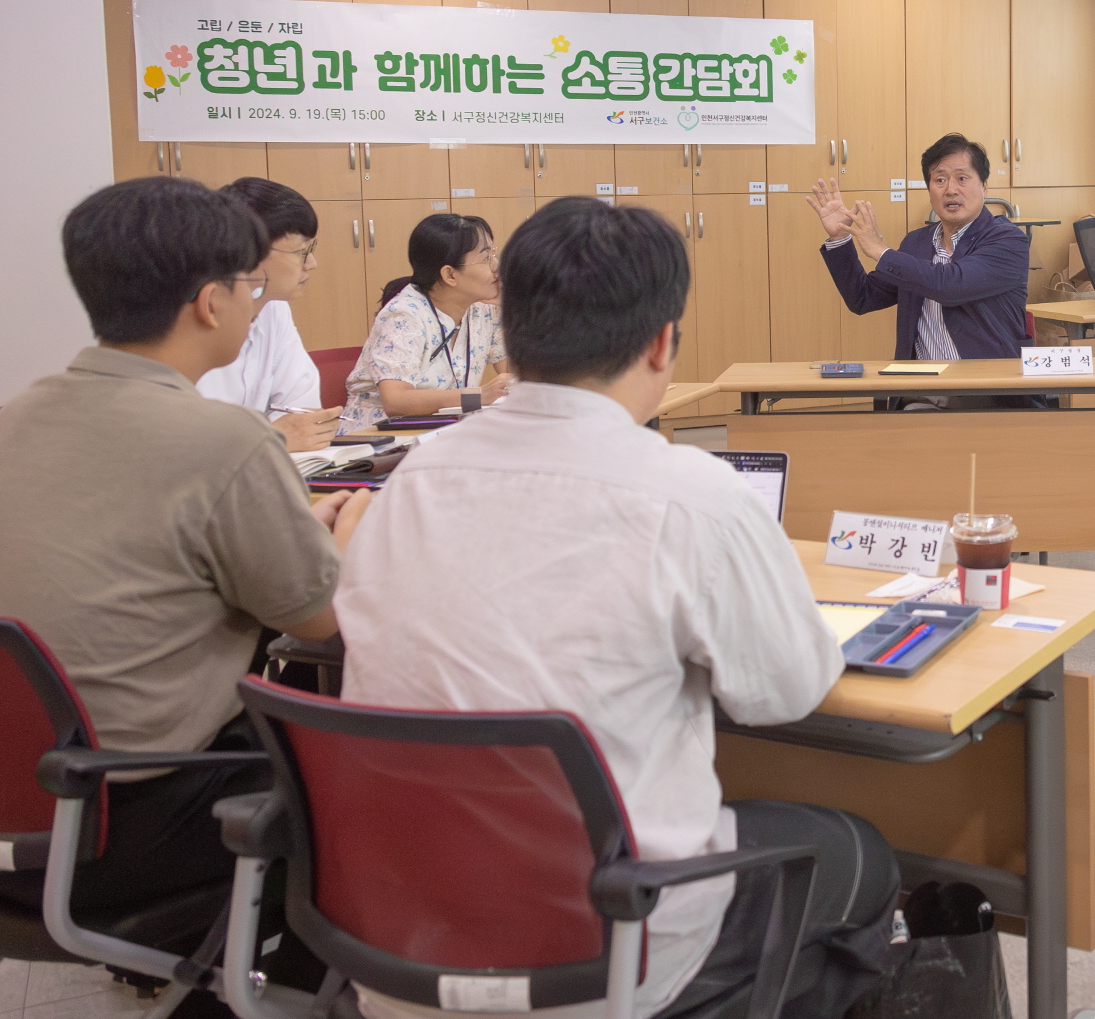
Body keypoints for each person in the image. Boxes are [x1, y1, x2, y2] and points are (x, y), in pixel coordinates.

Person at [334, 197, 897, 1019]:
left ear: (510, 329)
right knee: (862, 853)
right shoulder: (693, 493)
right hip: (600, 958)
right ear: (663, 342)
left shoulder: (408, 481)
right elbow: (787, 690)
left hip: (397, 952)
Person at [0, 177, 364, 920]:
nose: (257, 302)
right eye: (252, 286)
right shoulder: (224, 440)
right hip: (111, 833)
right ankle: (266, 973)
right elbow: (322, 621)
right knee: (351, 779)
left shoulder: (27, 411)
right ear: (211, 302)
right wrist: (343, 545)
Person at [804, 132, 1029, 361]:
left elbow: (949, 286)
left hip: (986, 380)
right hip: (921, 381)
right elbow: (863, 298)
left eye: (962, 178)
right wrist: (840, 238)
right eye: (940, 180)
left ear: (984, 186)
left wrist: (879, 250)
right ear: (929, 190)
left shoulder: (1008, 240)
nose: (951, 189)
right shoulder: (916, 242)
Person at [336, 211, 512, 433]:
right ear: (450, 275)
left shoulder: (483, 310)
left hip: (444, 432)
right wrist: (479, 396)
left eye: (494, 254)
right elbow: (396, 401)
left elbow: (518, 377)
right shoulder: (404, 315)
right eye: (486, 258)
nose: (497, 267)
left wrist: (516, 306)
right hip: (378, 438)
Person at [199, 176, 340, 450]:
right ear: (250, 253)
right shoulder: (195, 319)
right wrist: (270, 436)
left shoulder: (274, 309)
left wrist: (272, 436)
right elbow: (190, 438)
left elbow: (302, 413)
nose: (311, 263)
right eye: (301, 251)